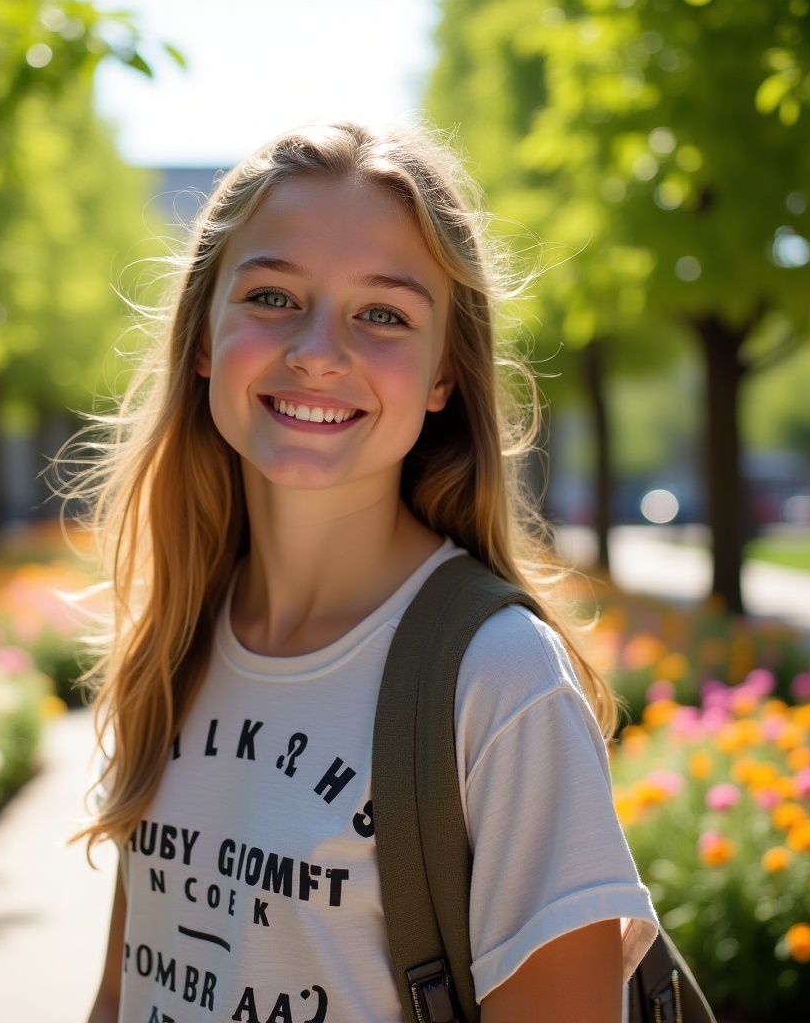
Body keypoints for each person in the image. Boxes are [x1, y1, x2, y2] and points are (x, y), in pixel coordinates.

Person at [76, 121, 658, 1023]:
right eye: (271, 296)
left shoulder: (500, 682)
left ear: (441, 377)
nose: (318, 350)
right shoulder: (177, 638)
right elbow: (123, 994)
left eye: (383, 313)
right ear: (201, 339)